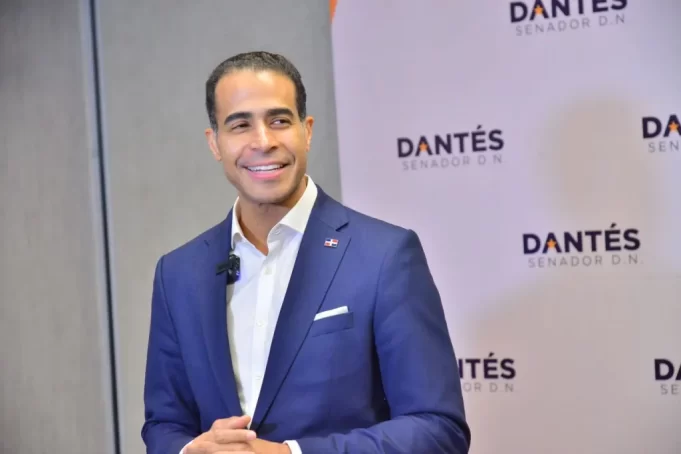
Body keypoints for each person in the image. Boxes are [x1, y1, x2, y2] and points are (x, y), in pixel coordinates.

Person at [141, 51, 471, 454]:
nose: (263, 142)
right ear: (215, 143)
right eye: (240, 125)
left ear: (307, 130)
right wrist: (189, 451)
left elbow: (438, 430)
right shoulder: (178, 273)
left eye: (279, 121)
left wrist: (290, 453)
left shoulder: (385, 256)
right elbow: (164, 424)